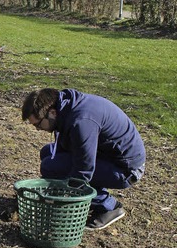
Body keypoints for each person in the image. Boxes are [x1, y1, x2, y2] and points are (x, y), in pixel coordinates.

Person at [22, 88, 146, 230]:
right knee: (47, 154)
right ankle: (91, 194)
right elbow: (68, 147)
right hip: (106, 155)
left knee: (51, 167)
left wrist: (63, 196)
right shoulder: (67, 107)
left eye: (38, 124)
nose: (38, 129)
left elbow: (84, 168)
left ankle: (109, 206)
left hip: (125, 169)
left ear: (52, 112)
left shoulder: (81, 121)